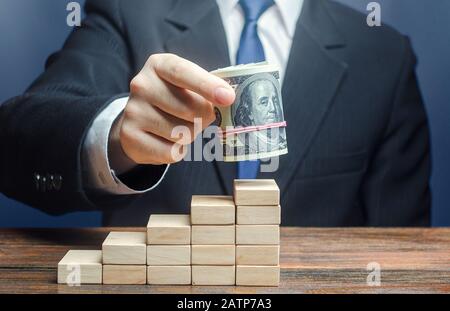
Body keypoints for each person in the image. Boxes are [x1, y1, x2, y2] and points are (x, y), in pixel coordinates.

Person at [0, 0, 431, 226]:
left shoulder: (383, 54)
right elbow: (18, 141)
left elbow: (400, 246)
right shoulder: (125, 11)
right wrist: (115, 135)